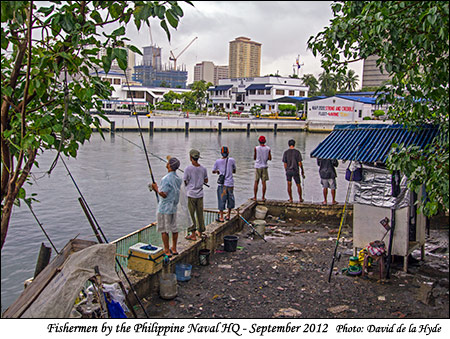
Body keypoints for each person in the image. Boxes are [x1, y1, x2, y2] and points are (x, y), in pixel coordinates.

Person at [152, 157, 182, 257]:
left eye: (168, 162)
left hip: (164, 208)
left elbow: (163, 194)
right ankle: (174, 247)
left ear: (169, 165)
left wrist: (156, 188)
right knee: (174, 228)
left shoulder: (166, 179)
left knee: (164, 230)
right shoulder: (178, 179)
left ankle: (166, 250)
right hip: (173, 207)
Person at [183, 149, 208, 241]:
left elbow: (185, 181)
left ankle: (192, 234)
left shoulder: (188, 169)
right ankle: (200, 232)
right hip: (200, 195)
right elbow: (206, 180)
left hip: (191, 195)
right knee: (200, 214)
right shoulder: (203, 169)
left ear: (190, 158)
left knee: (191, 215)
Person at [212, 146, 236, 222]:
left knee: (221, 200)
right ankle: (228, 215)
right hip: (230, 184)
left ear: (221, 153)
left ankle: (221, 217)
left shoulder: (218, 161)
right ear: (228, 153)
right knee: (230, 199)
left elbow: (213, 171)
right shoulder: (232, 160)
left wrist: (218, 172)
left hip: (222, 185)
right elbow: (234, 170)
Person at [253, 135, 271, 201]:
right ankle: (263, 197)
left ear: (259, 141)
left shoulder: (256, 148)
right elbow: (270, 158)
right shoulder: (268, 148)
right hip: (264, 166)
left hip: (257, 166)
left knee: (256, 182)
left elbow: (254, 157)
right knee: (264, 183)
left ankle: (255, 197)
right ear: (265, 141)